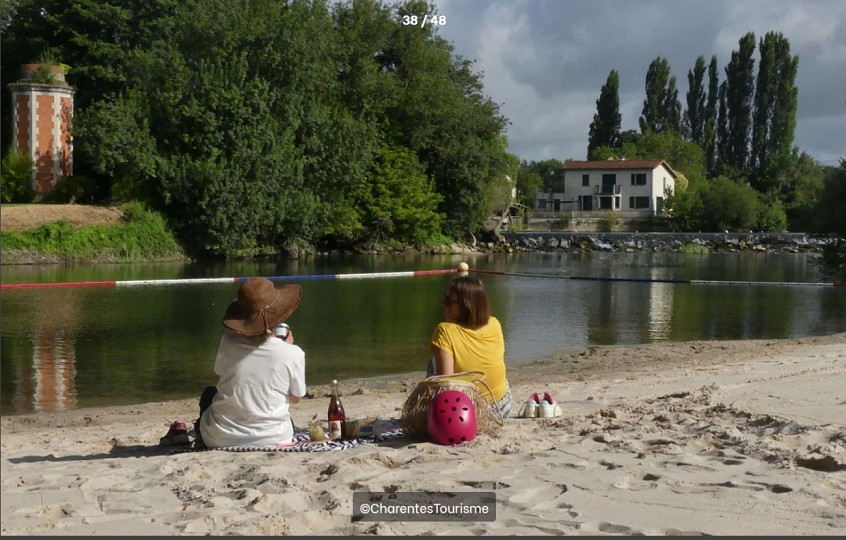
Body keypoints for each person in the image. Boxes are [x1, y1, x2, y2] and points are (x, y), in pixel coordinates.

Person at [195, 277, 306, 448]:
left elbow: (221, 372)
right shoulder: (293, 353)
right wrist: (285, 348)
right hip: (275, 437)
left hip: (220, 438)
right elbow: (295, 398)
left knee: (209, 394)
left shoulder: (227, 342)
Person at [428, 275, 513, 419]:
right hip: (502, 407)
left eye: (449, 300)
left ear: (466, 305)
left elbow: (445, 385)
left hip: (464, 413)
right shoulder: (494, 323)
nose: (443, 302)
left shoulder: (444, 330)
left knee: (433, 363)